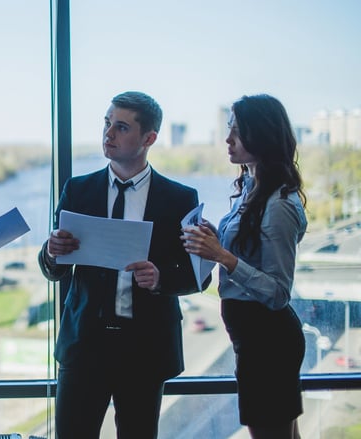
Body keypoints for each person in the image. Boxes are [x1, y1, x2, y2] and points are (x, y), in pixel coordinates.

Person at [39, 91, 211, 439]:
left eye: (120, 127)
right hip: (84, 343)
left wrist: (162, 277)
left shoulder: (179, 198)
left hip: (144, 347)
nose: (108, 134)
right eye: (106, 123)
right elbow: (55, 270)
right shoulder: (78, 190)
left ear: (149, 139)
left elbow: (198, 276)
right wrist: (50, 251)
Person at [182, 94, 307, 439]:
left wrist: (223, 255)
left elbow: (278, 293)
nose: (227, 139)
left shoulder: (279, 204)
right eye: (229, 129)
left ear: (261, 136)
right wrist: (215, 238)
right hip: (253, 339)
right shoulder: (252, 190)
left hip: (269, 341)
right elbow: (244, 253)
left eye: (237, 131)